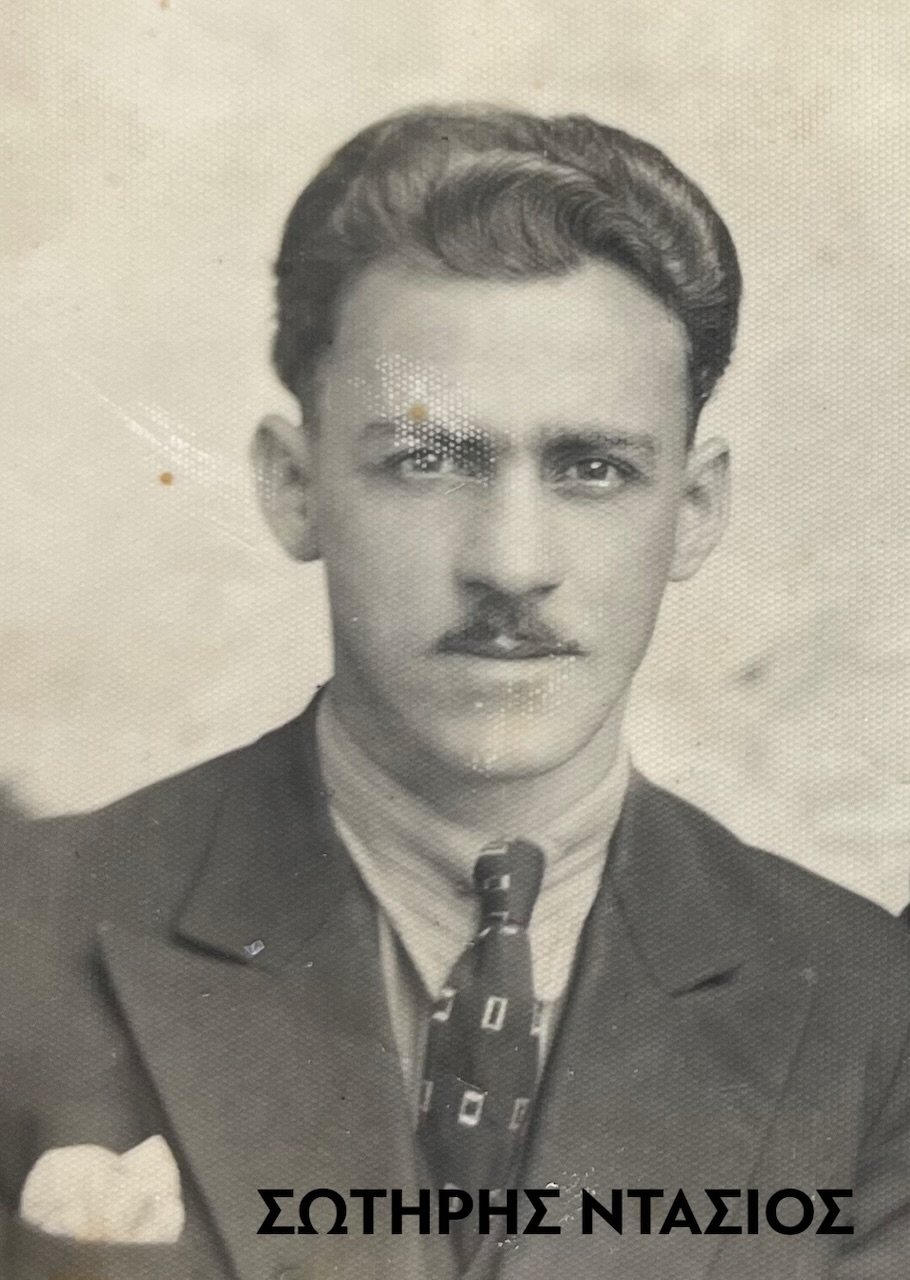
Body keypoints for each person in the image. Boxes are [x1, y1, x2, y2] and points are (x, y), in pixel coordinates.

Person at [3, 106, 910, 1280]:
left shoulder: (871, 1010)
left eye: (592, 468)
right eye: (427, 461)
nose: (511, 562)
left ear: (693, 510)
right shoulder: (27, 929)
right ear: (292, 486)